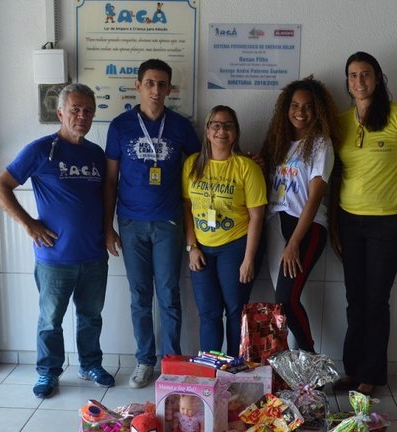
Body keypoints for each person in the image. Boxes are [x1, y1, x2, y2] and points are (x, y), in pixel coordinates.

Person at [0, 83, 115, 398]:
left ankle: (90, 364)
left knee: (91, 316)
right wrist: (29, 224)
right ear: (61, 113)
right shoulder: (41, 149)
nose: (81, 116)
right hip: (54, 258)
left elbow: (103, 197)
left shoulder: (96, 154)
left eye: (88, 110)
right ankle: (48, 372)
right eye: (75, 109)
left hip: (93, 255)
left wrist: (108, 230)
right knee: (50, 320)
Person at [330, 52, 397, 395]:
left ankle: (371, 376)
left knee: (376, 300)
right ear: (347, 81)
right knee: (354, 300)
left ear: (377, 78)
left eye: (365, 74)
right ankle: (353, 370)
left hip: (388, 227)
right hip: (350, 222)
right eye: (352, 75)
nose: (358, 82)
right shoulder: (342, 122)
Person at [104, 59, 201, 389]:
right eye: (150, 83)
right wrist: (107, 226)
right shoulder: (120, 126)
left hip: (169, 221)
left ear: (170, 89)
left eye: (162, 84)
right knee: (139, 295)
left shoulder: (181, 127)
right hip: (131, 223)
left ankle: (171, 362)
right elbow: (110, 180)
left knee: (170, 294)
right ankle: (145, 361)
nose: (156, 90)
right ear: (138, 86)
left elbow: (201, 167)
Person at [260, 76, 340, 353]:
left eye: (307, 106)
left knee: (287, 299)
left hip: (306, 226)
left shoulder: (321, 144)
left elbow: (315, 197)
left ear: (317, 110)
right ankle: (292, 364)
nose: (300, 112)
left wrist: (294, 242)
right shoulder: (278, 141)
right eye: (294, 105)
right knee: (284, 300)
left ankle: (310, 362)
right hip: (275, 223)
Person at [182, 106, 267, 357]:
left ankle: (233, 368)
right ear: (207, 131)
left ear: (236, 132)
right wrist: (192, 247)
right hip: (201, 248)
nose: (222, 130)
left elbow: (257, 216)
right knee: (208, 312)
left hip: (236, 247)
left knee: (234, 310)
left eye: (228, 125)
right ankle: (210, 370)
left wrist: (248, 259)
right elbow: (186, 206)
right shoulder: (191, 164)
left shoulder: (247, 167)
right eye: (216, 125)